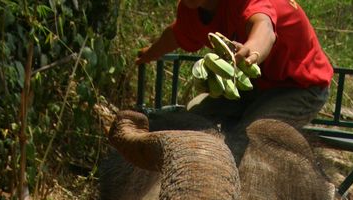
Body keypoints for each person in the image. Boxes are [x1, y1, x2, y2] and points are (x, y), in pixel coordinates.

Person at [136, 0, 333, 128]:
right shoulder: (191, 10)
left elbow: (264, 26)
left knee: (251, 136)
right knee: (190, 122)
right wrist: (149, 53)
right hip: (251, 85)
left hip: (300, 87)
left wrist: (252, 50)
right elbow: (176, 34)